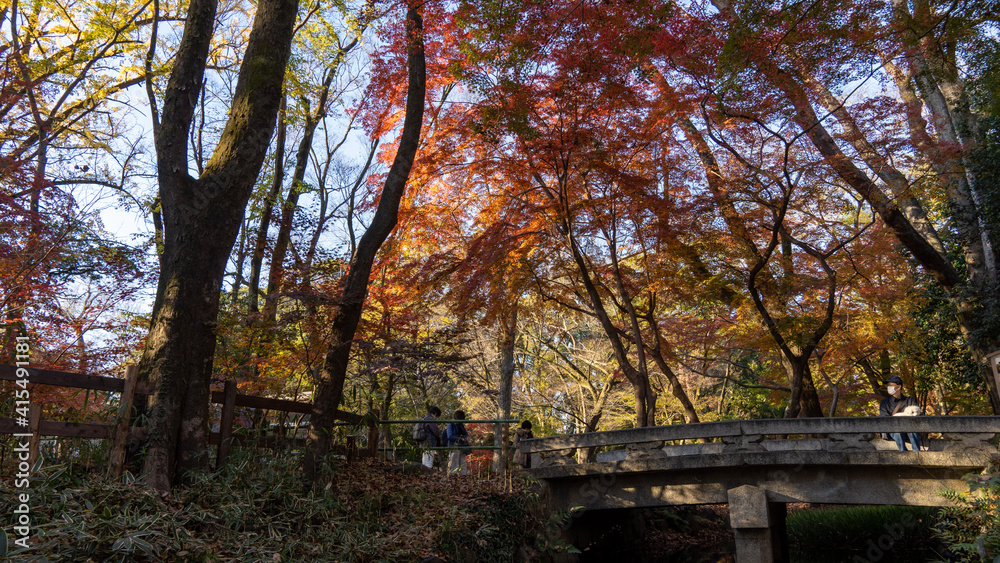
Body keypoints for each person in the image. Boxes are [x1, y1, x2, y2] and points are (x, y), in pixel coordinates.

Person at [879, 375, 922, 452]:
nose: (888, 387)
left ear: (899, 387)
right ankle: (903, 453)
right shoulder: (885, 403)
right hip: (893, 430)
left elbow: (917, 415)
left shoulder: (910, 400)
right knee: (898, 431)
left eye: (891, 385)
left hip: (910, 429)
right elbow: (884, 418)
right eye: (888, 385)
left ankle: (917, 453)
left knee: (911, 429)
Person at [446, 410, 470, 475]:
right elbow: (449, 436)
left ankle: (463, 475)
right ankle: (452, 476)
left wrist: (467, 437)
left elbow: (465, 433)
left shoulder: (461, 425)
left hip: (462, 446)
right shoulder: (450, 425)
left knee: (462, 462)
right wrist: (460, 439)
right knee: (454, 462)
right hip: (453, 445)